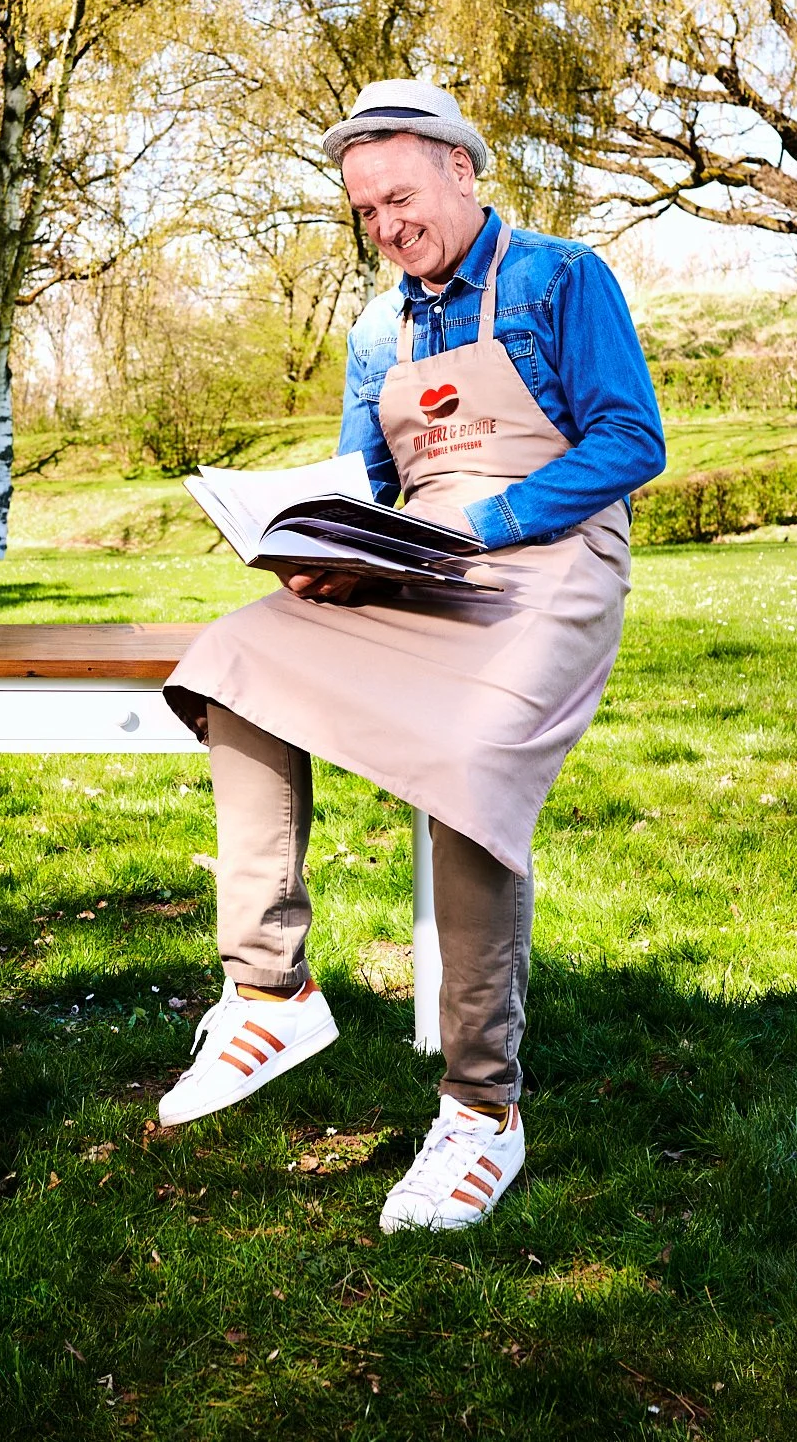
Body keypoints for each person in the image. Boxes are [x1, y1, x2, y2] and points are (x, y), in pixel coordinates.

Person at [158, 79, 665, 1232]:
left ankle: (482, 1111)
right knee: (237, 652)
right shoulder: (376, 330)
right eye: (366, 210)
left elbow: (632, 440)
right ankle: (267, 988)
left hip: (546, 565)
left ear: (462, 171)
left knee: (469, 756)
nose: (387, 224)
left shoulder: (559, 277)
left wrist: (477, 526)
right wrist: (320, 549)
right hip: (416, 565)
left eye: (399, 195)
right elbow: (365, 487)